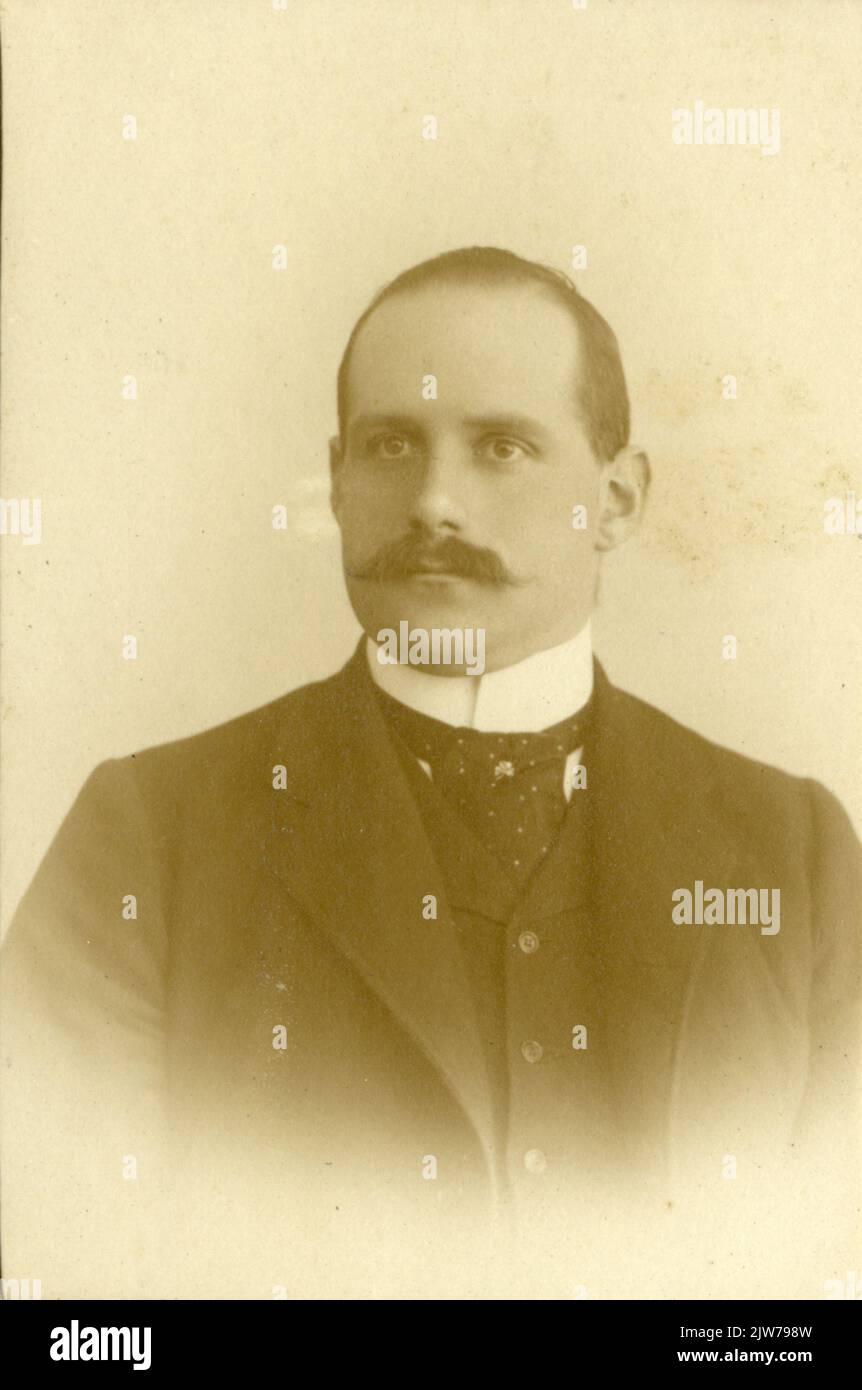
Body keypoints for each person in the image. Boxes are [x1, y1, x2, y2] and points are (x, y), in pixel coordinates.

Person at [3, 247, 859, 1299]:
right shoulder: (145, 833)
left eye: (501, 446)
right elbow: (70, 1273)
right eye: (391, 445)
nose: (433, 504)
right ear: (335, 481)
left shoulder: (795, 851)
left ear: (620, 500)